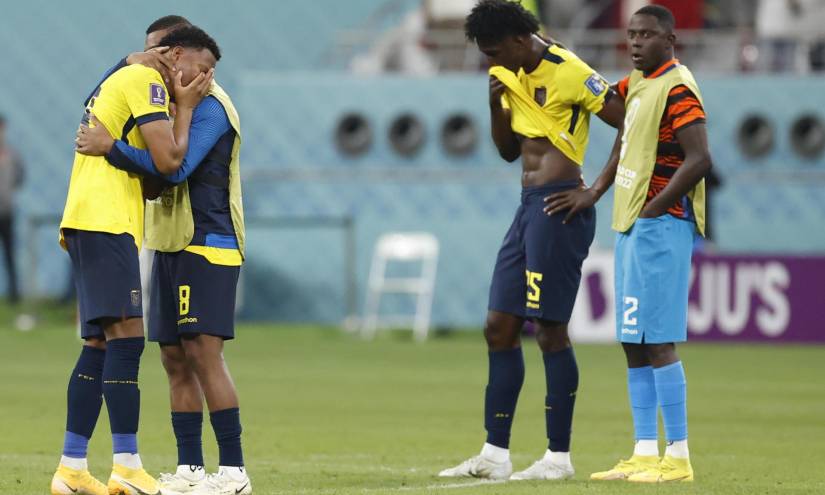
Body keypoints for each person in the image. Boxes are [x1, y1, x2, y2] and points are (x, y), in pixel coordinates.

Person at [438, 0, 624, 481]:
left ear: (521, 40)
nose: (490, 61)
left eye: (494, 52)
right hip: (527, 208)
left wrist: (594, 191)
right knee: (498, 326)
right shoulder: (509, 71)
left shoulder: (569, 70)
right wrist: (494, 101)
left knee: (549, 331)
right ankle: (494, 455)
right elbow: (506, 152)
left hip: (561, 207)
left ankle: (558, 459)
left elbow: (629, 122)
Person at [76, 25, 251, 495]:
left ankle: (233, 472)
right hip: (169, 243)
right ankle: (191, 469)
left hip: (209, 244)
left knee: (203, 353)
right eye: (151, 52)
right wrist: (123, 62)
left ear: (184, 55)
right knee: (173, 357)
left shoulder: (211, 107)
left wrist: (112, 150)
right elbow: (94, 110)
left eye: (167, 54)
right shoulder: (165, 104)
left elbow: (176, 170)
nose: (164, 64)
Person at [546, 4, 711, 483]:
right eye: (631, 34)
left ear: (670, 39)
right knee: (633, 342)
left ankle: (677, 457)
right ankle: (643, 451)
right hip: (631, 224)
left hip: (659, 225)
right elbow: (616, 119)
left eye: (646, 35)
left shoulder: (677, 87)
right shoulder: (637, 84)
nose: (636, 42)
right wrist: (596, 191)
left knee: (659, 342)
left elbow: (700, 158)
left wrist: (658, 206)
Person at [50, 23, 214, 495]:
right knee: (127, 340)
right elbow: (169, 162)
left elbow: (155, 178)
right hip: (104, 221)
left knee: (99, 345)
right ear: (175, 54)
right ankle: (126, 466)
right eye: (201, 70)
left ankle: (73, 469)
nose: (203, 82)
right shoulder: (145, 83)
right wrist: (184, 107)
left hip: (97, 219)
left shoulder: (127, 81)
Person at [0, 115, 23, 305]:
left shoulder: (12, 154)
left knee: (10, 254)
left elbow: (20, 177)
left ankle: (14, 296)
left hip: (7, 211)